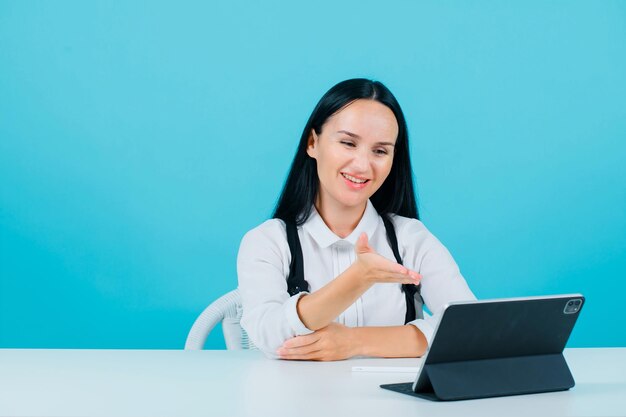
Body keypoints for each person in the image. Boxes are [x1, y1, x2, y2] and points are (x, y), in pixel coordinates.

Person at [237, 78, 475, 361]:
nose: (362, 165)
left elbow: (469, 329)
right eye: (348, 143)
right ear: (313, 143)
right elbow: (271, 336)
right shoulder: (268, 241)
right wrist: (357, 279)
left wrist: (353, 342)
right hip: (300, 404)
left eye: (380, 151)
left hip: (397, 405)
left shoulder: (411, 239)